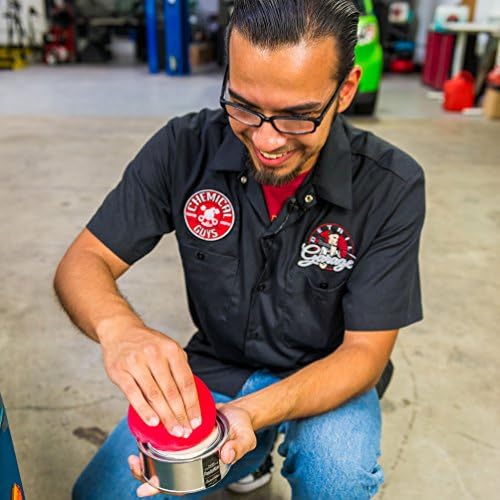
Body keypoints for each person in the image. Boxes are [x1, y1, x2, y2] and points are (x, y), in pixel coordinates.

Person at [54, 0, 425, 498]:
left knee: (338, 475)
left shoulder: (391, 186)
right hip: (220, 366)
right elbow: (84, 261)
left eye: (298, 116)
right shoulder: (183, 149)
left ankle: (255, 446)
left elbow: (365, 352)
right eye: (245, 106)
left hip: (329, 374)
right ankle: (250, 455)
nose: (267, 140)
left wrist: (250, 414)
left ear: (346, 89)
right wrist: (120, 330)